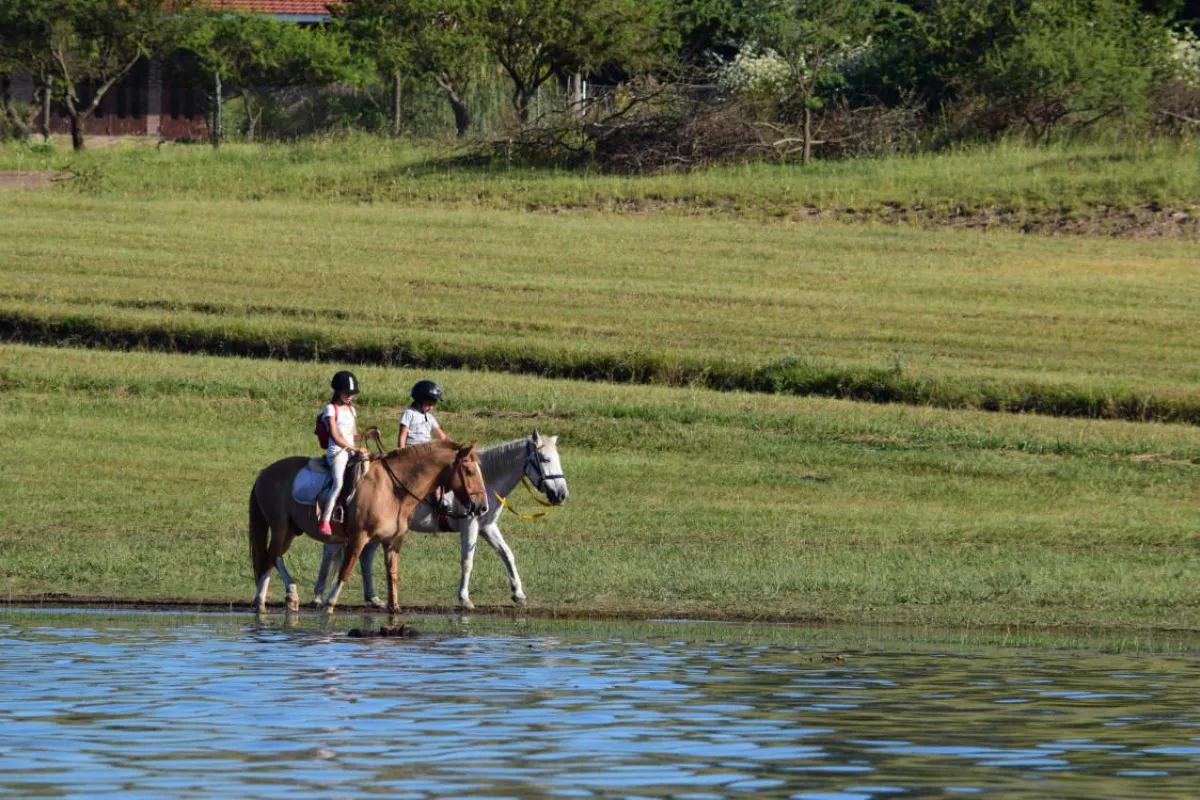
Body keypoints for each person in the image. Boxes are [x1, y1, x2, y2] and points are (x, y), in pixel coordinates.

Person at [318, 370, 368, 535]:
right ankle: (325, 519)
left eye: (352, 393)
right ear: (337, 392)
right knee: (338, 483)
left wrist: (368, 436)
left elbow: (353, 435)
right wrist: (354, 448)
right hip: (337, 452)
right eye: (346, 393)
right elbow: (335, 436)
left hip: (351, 451)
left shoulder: (352, 411)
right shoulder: (330, 410)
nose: (349, 396)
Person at [397, 380, 448, 449]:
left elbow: (441, 436)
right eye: (429, 405)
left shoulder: (430, 417)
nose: (431, 408)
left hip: (426, 449)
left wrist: (454, 446)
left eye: (433, 405)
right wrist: (402, 451)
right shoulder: (409, 413)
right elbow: (403, 434)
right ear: (419, 400)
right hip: (411, 449)